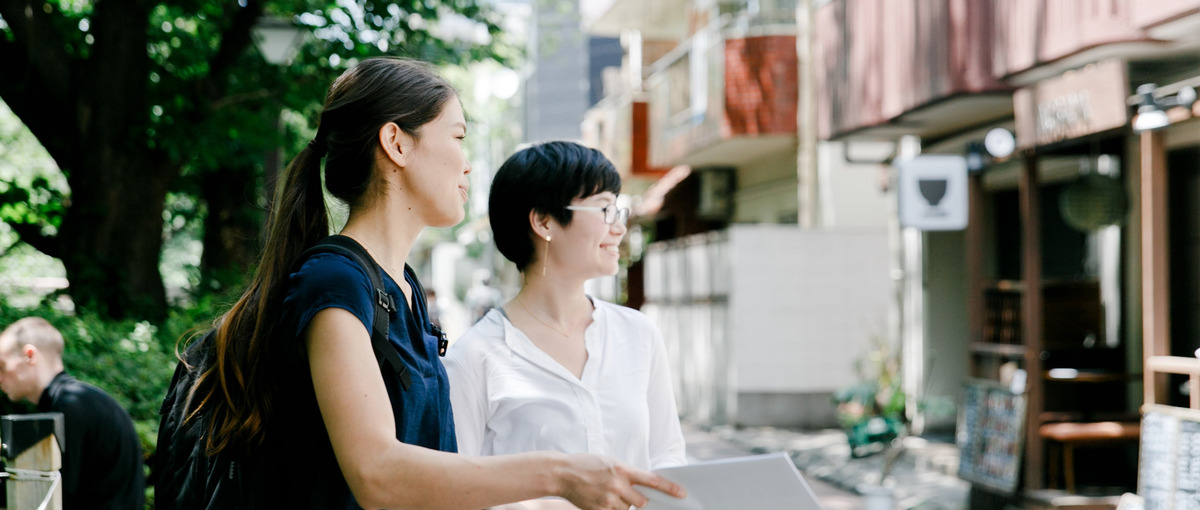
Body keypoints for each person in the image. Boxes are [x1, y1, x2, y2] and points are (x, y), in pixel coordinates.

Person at [177, 57, 684, 509]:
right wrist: (558, 473)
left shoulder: (403, 291)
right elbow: (376, 473)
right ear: (396, 143)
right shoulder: (334, 282)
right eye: (458, 137)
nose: (468, 163)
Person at [444, 142, 688, 508]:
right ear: (543, 221)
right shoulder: (475, 357)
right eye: (605, 209)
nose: (619, 227)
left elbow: (667, 460)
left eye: (618, 209)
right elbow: (456, 490)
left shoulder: (638, 334)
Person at [0, 317, 144, 509]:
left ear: (29, 355)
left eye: (2, 366)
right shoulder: (82, 399)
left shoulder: (69, 407)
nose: (0, 377)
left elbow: (54, 495)